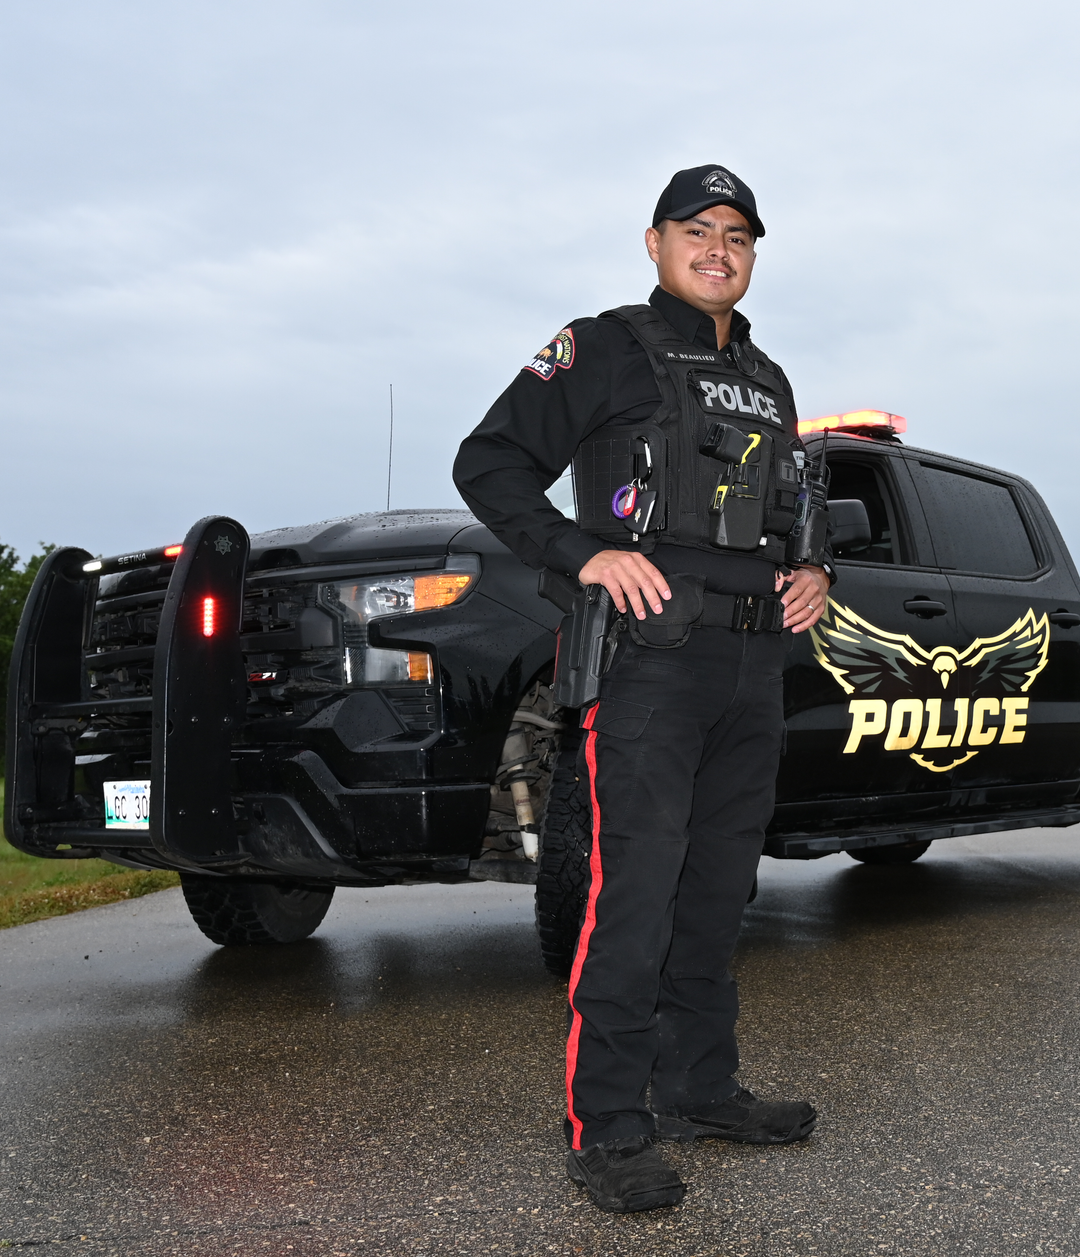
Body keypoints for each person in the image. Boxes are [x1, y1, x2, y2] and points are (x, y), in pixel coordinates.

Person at [453, 165, 831, 1213]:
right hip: (650, 665)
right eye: (699, 230)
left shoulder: (768, 375)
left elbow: (795, 504)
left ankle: (702, 1090)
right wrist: (582, 554)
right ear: (656, 241)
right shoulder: (604, 344)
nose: (721, 249)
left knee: (718, 895)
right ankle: (609, 1127)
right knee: (635, 895)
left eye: (741, 237)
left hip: (755, 669)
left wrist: (815, 572)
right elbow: (487, 464)